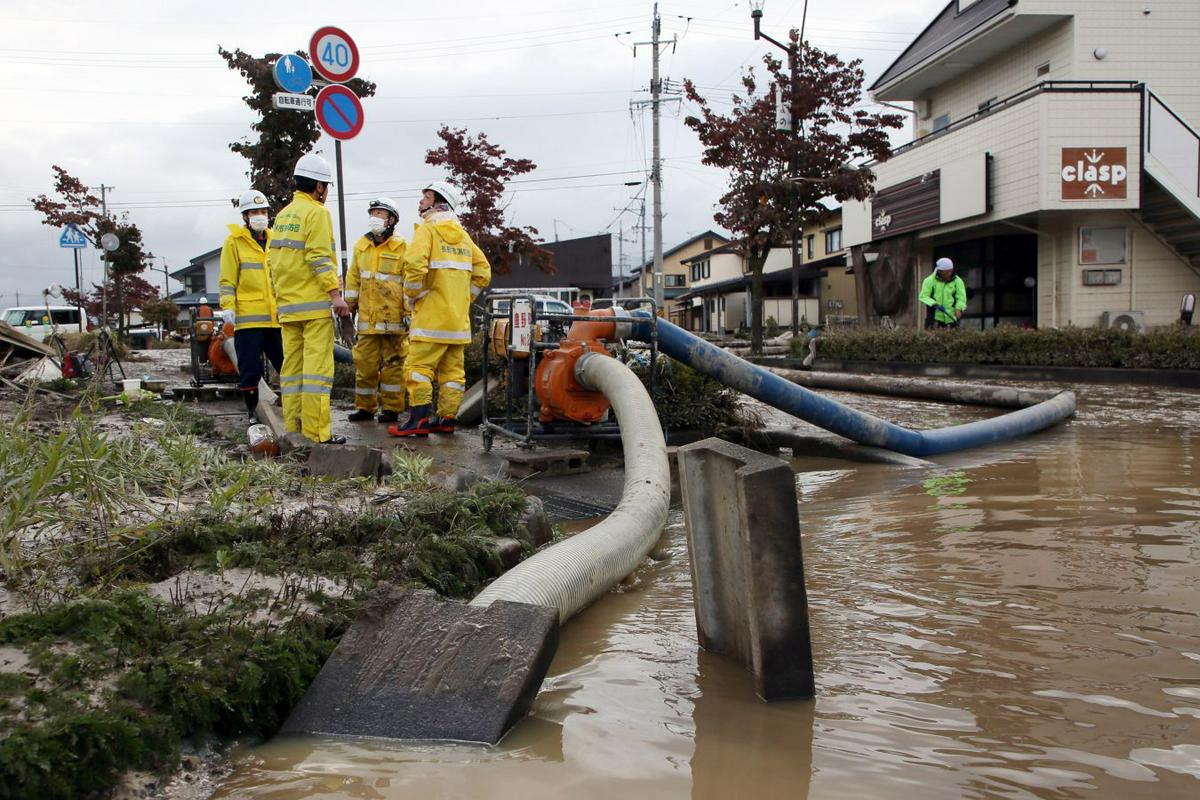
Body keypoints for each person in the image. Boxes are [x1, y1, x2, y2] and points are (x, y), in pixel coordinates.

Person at [389, 181, 490, 437]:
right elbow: (483, 272)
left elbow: (413, 265)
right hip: (457, 324)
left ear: (436, 201)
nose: (421, 202)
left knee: (418, 368)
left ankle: (418, 420)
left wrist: (414, 296)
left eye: (425, 197)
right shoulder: (463, 236)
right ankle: (446, 420)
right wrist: (463, 299)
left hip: (431, 319)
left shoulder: (428, 230)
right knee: (452, 373)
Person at [270, 153, 351, 444]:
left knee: (292, 372)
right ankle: (317, 434)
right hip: (314, 307)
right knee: (317, 372)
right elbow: (319, 258)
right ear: (318, 186)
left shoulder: (283, 216)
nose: (327, 192)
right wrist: (335, 294)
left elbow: (273, 263)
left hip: (289, 308)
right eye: (326, 186)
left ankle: (294, 430)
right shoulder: (317, 213)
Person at [218, 189, 283, 422]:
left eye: (263, 211)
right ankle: (252, 413)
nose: (260, 216)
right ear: (245, 216)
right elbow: (227, 279)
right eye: (254, 212)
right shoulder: (234, 242)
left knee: (287, 365)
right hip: (248, 319)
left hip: (276, 319)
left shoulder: (276, 240)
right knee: (250, 371)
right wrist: (228, 306)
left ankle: (292, 408)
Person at [346, 197, 408, 423]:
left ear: (391, 219)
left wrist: (410, 315)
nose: (375, 217)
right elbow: (353, 279)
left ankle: (391, 409)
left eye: (380, 213)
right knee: (364, 365)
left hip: (393, 321)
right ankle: (365, 408)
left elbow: (409, 283)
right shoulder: (361, 246)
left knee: (393, 367)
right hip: (368, 321)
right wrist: (348, 306)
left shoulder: (402, 247)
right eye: (373, 213)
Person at [920, 257, 967, 329]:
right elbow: (923, 296)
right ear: (940, 271)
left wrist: (959, 308)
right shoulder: (929, 280)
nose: (949, 273)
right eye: (946, 272)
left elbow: (961, 297)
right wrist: (934, 304)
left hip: (952, 318)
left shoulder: (958, 281)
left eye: (950, 271)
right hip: (934, 319)